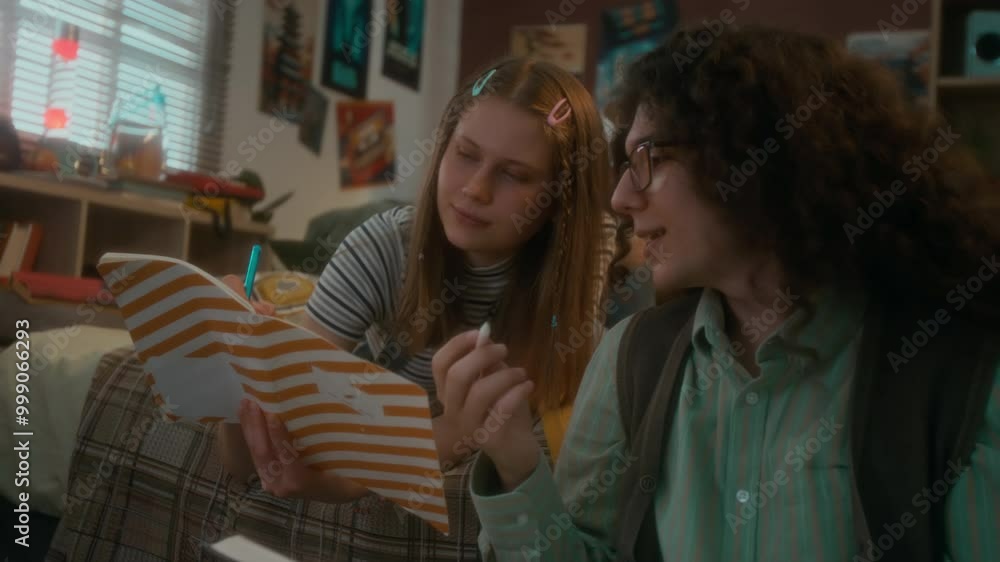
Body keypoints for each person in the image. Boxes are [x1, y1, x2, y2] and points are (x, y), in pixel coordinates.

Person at [437, 24, 1000, 561]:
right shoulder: (630, 358)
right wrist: (514, 461)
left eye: (647, 161)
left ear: (756, 161)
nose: (621, 199)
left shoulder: (956, 370)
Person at [216, 56, 621, 559]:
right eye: (465, 154)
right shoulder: (385, 246)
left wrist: (437, 439)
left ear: (560, 201)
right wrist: (238, 373)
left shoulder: (578, 281)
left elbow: (516, 437)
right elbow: (257, 450)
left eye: (514, 174)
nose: (475, 188)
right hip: (378, 414)